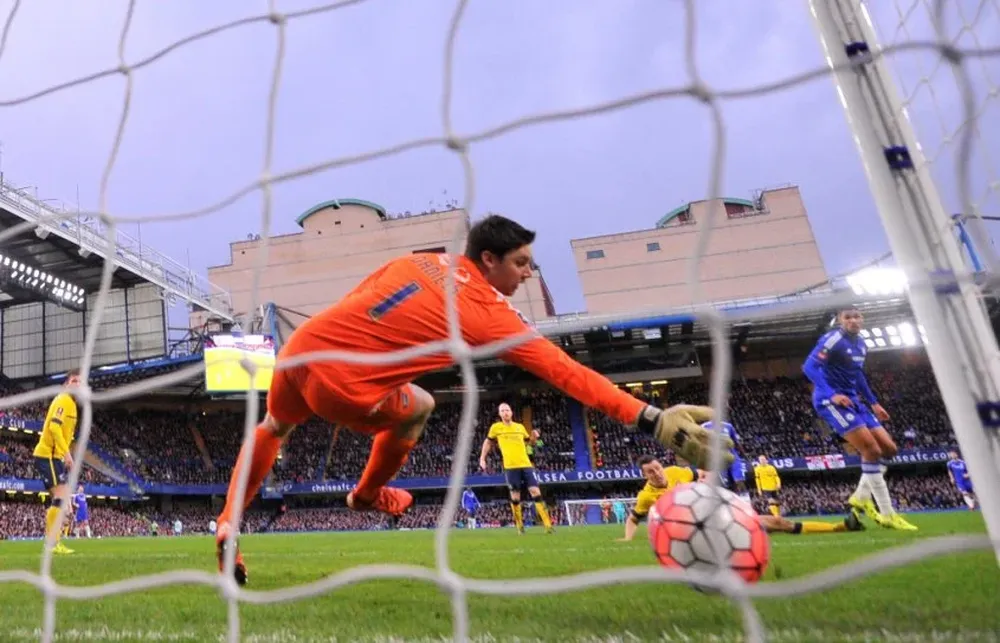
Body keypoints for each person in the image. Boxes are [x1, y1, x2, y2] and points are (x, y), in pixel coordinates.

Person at [213, 214, 730, 585]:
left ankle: (228, 523)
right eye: (522, 263)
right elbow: (567, 373)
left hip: (301, 349)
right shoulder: (489, 313)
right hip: (343, 382)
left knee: (272, 429)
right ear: (489, 259)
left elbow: (358, 300)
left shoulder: (419, 260)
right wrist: (650, 417)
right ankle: (367, 495)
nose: (528, 273)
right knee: (419, 406)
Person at [802, 307, 917, 531]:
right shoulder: (833, 338)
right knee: (871, 451)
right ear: (840, 321)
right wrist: (831, 393)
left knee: (889, 449)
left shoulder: (861, 344)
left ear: (862, 319)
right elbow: (809, 366)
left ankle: (861, 496)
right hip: (832, 401)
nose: (853, 321)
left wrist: (874, 402)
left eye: (857, 316)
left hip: (855, 401)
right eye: (848, 317)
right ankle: (887, 514)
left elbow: (857, 375)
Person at [617, 454, 864, 542]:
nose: (657, 473)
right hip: (698, 530)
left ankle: (839, 526)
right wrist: (628, 538)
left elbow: (705, 472)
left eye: (658, 468)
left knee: (776, 523)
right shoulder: (646, 496)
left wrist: (705, 479)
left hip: (718, 513)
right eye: (650, 472)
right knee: (766, 527)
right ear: (643, 474)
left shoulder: (676, 472)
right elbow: (634, 518)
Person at [479, 402, 553, 534]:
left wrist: (534, 438)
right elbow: (488, 442)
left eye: (507, 410)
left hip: (526, 465)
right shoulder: (496, 428)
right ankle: (520, 526)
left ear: (511, 412)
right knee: (515, 497)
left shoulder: (520, 427)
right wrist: (482, 458)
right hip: (511, 467)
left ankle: (548, 526)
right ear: (499, 414)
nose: (505, 412)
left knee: (536, 492)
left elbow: (528, 443)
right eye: (502, 411)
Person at [32, 369, 80, 555]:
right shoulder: (63, 400)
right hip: (47, 455)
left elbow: (66, 434)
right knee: (60, 498)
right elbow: (54, 427)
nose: (77, 385)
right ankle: (51, 544)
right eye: (74, 381)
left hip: (55, 457)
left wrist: (64, 455)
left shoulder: (73, 405)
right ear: (66, 384)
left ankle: (54, 541)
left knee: (62, 499)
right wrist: (66, 454)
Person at [701, 420, 750, 503]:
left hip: (733, 457)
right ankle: (730, 504)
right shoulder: (705, 426)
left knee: (739, 481)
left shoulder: (728, 426)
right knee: (725, 484)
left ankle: (747, 504)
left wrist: (745, 455)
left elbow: (736, 443)